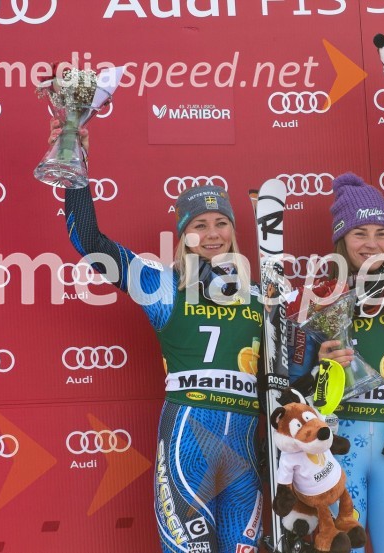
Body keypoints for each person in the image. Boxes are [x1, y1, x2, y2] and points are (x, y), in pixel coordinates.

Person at [49, 122, 265, 553]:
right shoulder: (162, 286)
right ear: (184, 233)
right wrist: (76, 164)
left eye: (221, 222)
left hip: (246, 446)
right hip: (188, 442)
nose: (212, 234)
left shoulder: (259, 296)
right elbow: (90, 242)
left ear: (234, 230)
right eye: (199, 224)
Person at [288, 172, 384, 553]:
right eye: (359, 233)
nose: (372, 243)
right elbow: (292, 393)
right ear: (341, 239)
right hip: (339, 442)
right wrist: (321, 368)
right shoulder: (318, 299)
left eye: (380, 233)